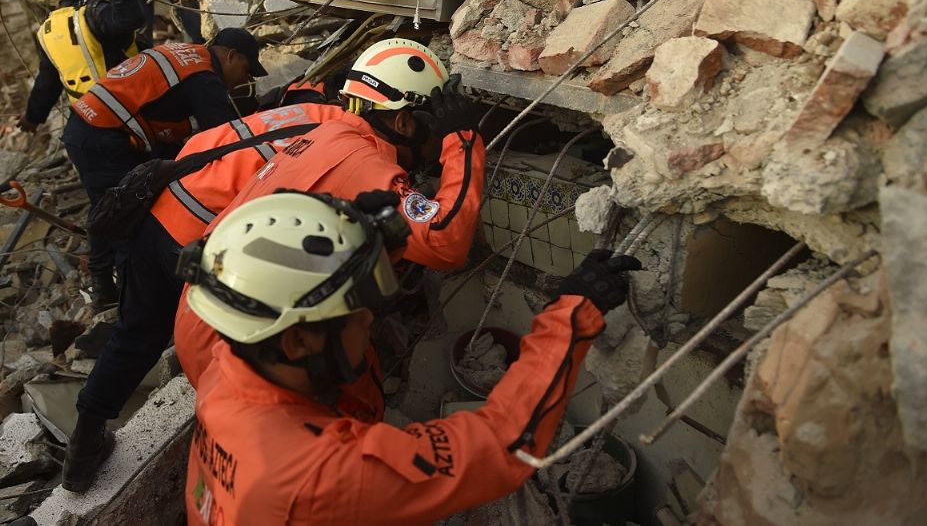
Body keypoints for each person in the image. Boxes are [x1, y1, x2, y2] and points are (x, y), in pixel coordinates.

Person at [177, 190, 641, 525]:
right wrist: (572, 315)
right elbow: (501, 445)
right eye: (357, 313)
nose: (369, 323)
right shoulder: (319, 476)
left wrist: (367, 251)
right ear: (298, 342)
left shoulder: (228, 368)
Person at [174, 38, 486, 387]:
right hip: (239, 349)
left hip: (211, 319)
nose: (436, 144)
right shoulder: (363, 164)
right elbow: (447, 242)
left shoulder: (334, 134)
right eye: (435, 131)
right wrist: (463, 141)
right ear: (403, 123)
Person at [61, 27, 266, 309]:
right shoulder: (204, 77)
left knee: (111, 207)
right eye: (246, 70)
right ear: (231, 56)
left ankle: (107, 290)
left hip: (90, 127)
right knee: (126, 215)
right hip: (102, 135)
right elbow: (227, 138)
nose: (245, 80)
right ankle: (131, 301)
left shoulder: (187, 56)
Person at [17, 0, 145, 134]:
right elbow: (132, 17)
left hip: (88, 122)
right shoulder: (98, 13)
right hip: (131, 113)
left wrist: (32, 116)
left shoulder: (47, 28)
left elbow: (48, 81)